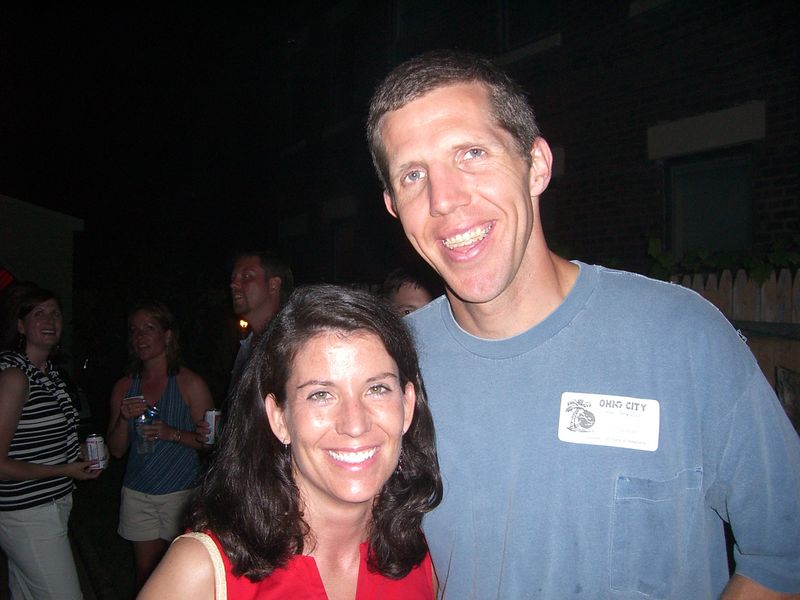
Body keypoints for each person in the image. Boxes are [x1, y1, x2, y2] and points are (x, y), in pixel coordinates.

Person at [366, 49, 800, 599]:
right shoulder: (387, 370)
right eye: (413, 175)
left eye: (472, 153)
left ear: (536, 165)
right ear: (393, 205)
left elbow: (783, 555)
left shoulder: (680, 338)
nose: (444, 200)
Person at [139, 284, 442, 599]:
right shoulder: (202, 572)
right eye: (321, 394)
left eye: (377, 389)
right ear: (279, 418)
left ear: (407, 405)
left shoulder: (431, 557)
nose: (355, 424)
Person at [0, 285, 103, 599]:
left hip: (51, 505)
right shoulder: (14, 376)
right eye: (39, 313)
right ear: (20, 325)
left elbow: (42, 440)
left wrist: (83, 453)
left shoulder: (49, 375)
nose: (50, 320)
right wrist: (66, 470)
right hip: (27, 512)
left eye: (55, 314)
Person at [106, 300, 213, 592]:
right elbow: (116, 450)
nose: (139, 336)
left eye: (148, 328)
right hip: (137, 493)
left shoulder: (190, 384)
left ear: (167, 336)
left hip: (181, 493)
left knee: (184, 579)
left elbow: (209, 443)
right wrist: (122, 419)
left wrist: (170, 433)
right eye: (134, 330)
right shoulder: (124, 387)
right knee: (146, 576)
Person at [227, 249, 294, 398]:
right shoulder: (247, 345)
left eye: (246, 276)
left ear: (273, 285)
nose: (233, 285)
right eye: (233, 278)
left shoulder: (290, 344)